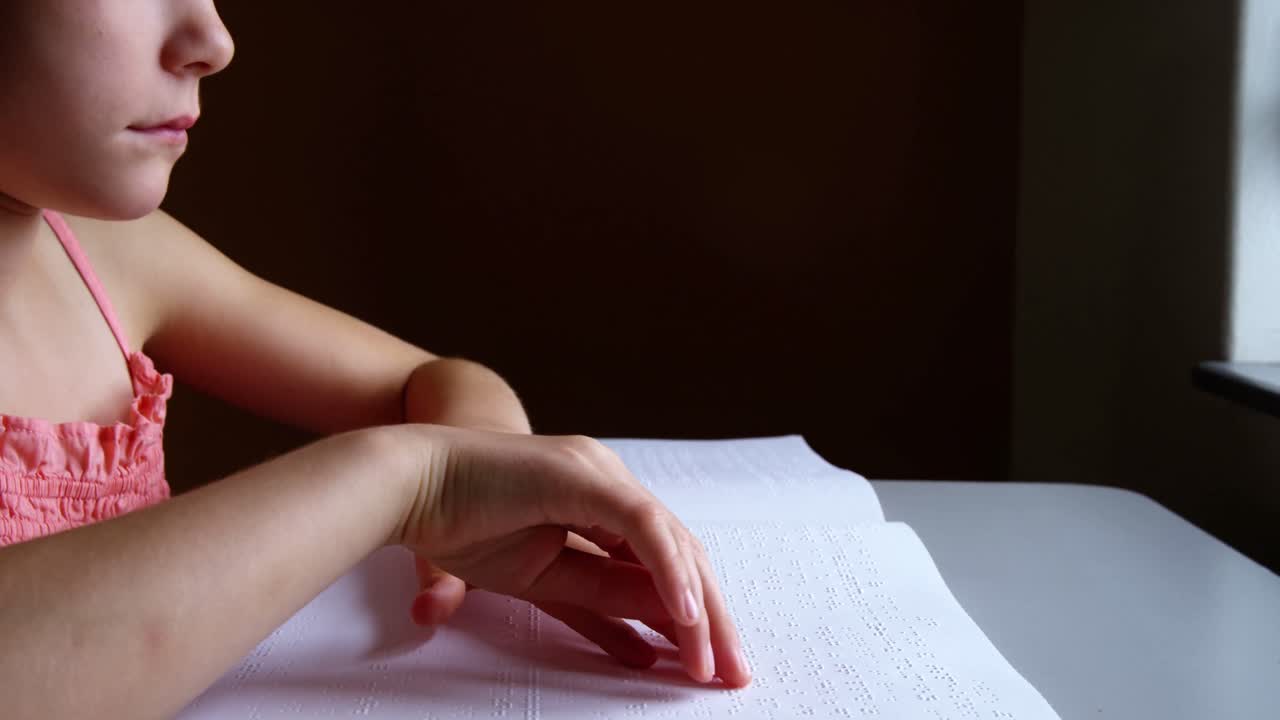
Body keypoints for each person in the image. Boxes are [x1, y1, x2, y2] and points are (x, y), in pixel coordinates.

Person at [0, 2, 751, 716]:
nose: (214, 41)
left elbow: (436, 382)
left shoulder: (103, 253)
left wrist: (479, 485)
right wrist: (411, 479)